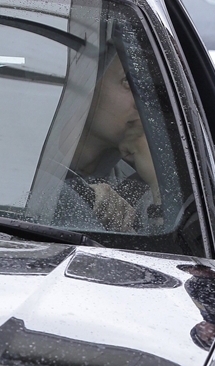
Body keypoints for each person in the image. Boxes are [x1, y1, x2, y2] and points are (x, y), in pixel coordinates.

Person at [57, 48, 161, 233]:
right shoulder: (21, 170)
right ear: (84, 82)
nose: (143, 101)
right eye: (128, 83)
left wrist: (158, 182)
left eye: (149, 89)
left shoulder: (136, 183)